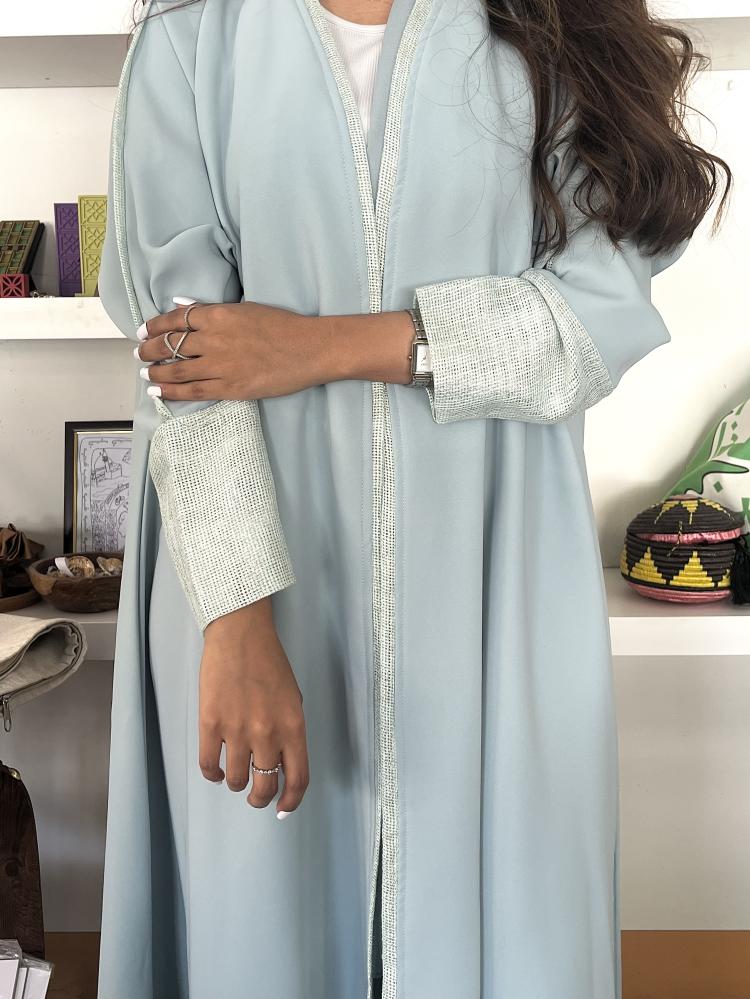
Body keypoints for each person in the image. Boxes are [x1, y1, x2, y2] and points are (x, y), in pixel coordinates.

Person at [95, 1, 731, 996]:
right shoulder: (190, 44)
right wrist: (237, 622)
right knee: (261, 926)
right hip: (255, 579)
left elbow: (591, 324)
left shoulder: (559, 34)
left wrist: (315, 348)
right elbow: (179, 360)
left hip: (498, 580)